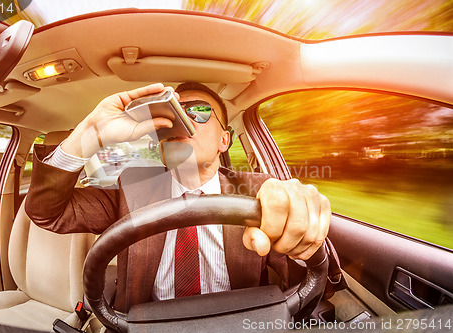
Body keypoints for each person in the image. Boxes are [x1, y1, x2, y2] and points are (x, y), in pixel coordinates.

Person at [25, 82, 331, 312]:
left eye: (199, 112)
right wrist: (87, 135)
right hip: (150, 324)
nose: (182, 123)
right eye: (172, 116)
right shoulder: (132, 187)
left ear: (224, 140)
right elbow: (47, 213)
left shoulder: (258, 190)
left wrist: (304, 230)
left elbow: (310, 278)